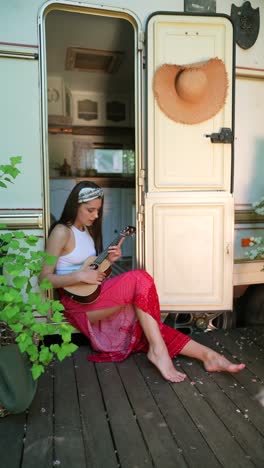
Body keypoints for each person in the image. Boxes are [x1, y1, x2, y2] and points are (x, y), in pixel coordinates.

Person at [40, 181, 245, 383]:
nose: (95, 216)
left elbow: (92, 277)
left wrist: (108, 262)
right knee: (140, 278)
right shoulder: (61, 232)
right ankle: (160, 352)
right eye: (90, 210)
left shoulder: (86, 231)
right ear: (75, 206)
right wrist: (79, 276)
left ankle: (208, 356)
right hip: (76, 306)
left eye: (98, 211)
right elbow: (44, 279)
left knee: (147, 324)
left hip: (92, 298)